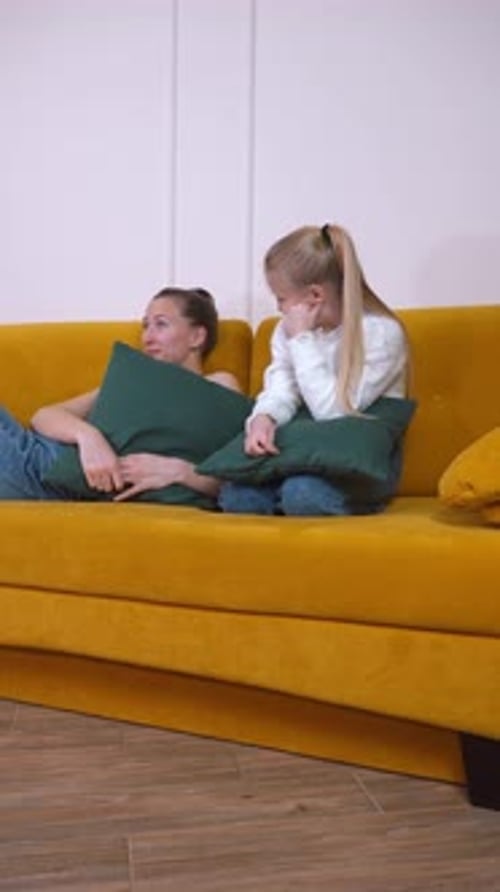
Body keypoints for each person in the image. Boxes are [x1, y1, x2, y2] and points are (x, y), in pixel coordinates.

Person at [219, 223, 409, 517]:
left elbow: (333, 411)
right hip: (306, 451)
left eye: (281, 298)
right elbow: (281, 386)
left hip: (360, 460)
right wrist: (263, 418)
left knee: (302, 494)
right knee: (239, 497)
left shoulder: (381, 334)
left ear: (314, 296)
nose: (279, 308)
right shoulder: (287, 332)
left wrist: (302, 340)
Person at [0, 286, 239, 502]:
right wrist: (89, 437)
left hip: (42, 476)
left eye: (161, 324)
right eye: (146, 326)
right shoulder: (134, 382)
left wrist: (181, 472)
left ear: (197, 337)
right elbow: (43, 416)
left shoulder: (219, 384)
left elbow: (236, 478)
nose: (147, 337)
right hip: (33, 452)